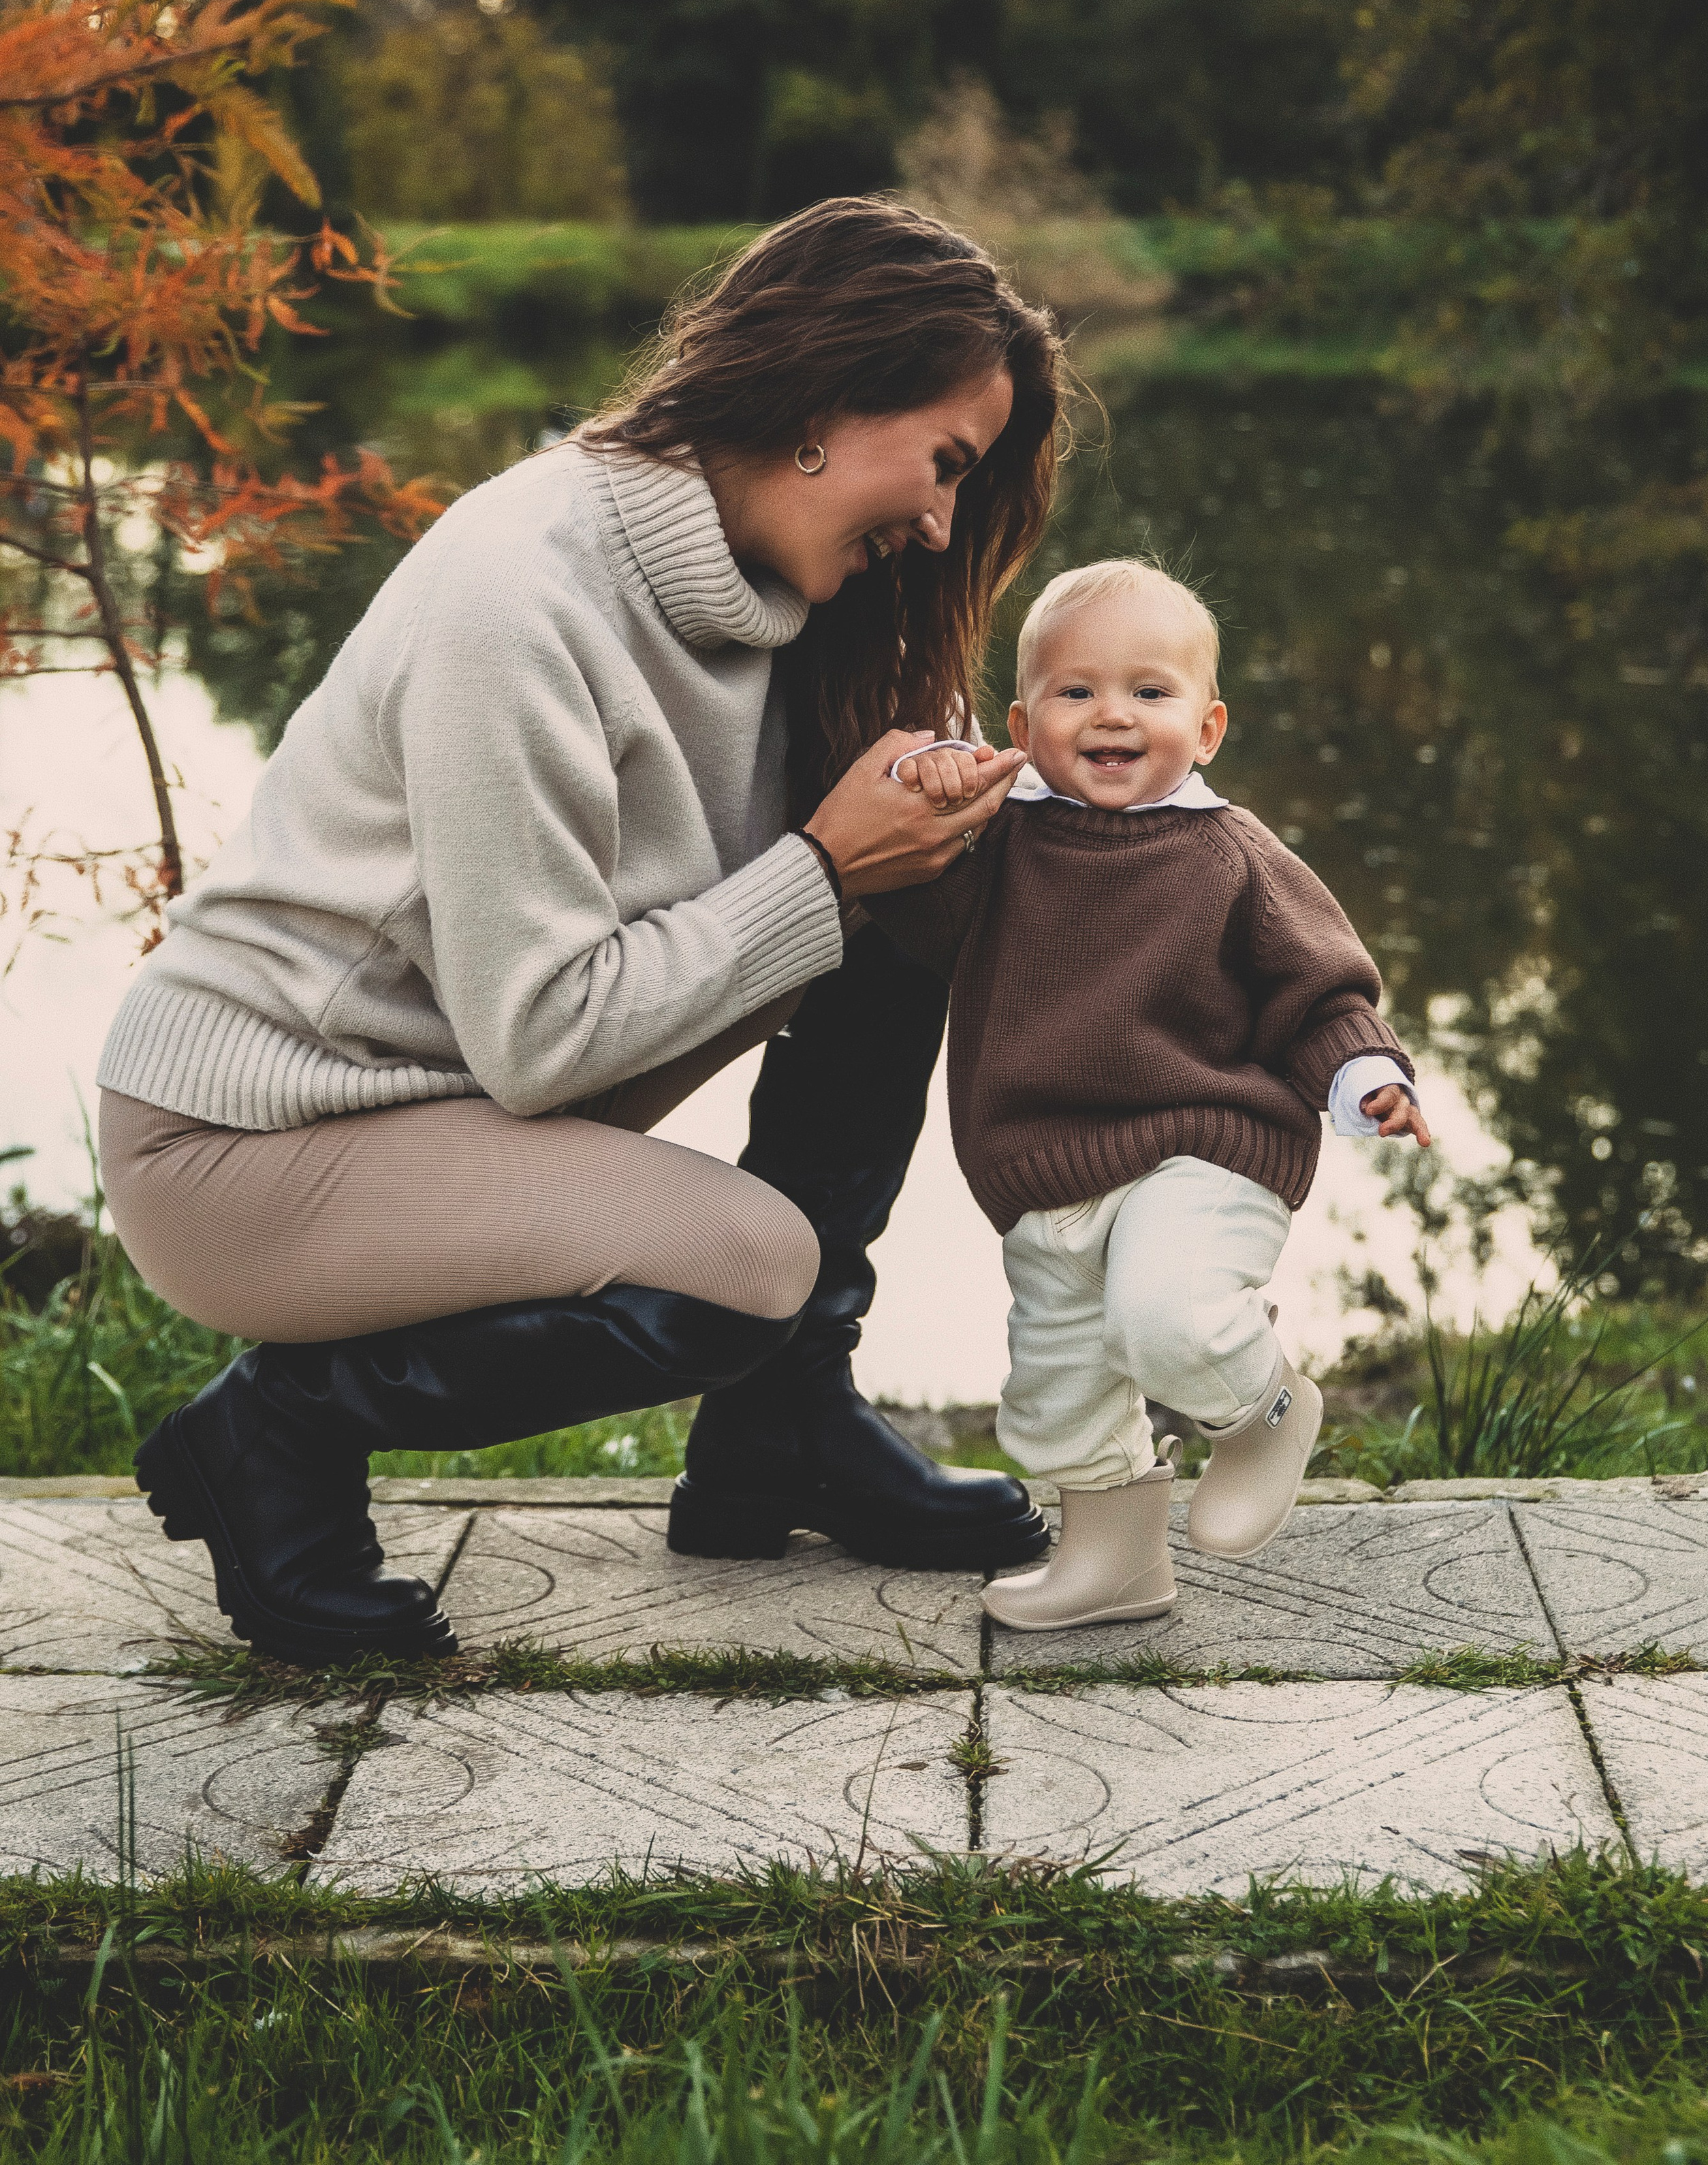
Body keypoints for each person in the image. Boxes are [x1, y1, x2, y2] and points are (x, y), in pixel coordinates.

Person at [95, 198, 1064, 1668]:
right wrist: (818, 861)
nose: (939, 523)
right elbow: (541, 1036)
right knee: (744, 1258)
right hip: (249, 1148)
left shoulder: (780, 602)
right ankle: (277, 1433)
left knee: (901, 909)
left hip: (453, 1102)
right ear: (821, 401)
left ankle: (780, 1424)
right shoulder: (524, 589)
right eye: (940, 465)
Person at [870, 558, 1432, 1634]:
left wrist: (1369, 1076)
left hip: (1206, 1144)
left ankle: (1266, 1409)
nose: (1113, 715)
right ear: (1024, 723)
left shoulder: (1230, 852)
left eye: (1151, 691)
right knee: (1059, 1388)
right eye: (1077, 693)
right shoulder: (1003, 843)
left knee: (1167, 1312)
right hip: (1045, 1167)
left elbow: (1317, 990)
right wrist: (928, 800)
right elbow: (920, 916)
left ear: (1209, 726)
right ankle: (1117, 1564)